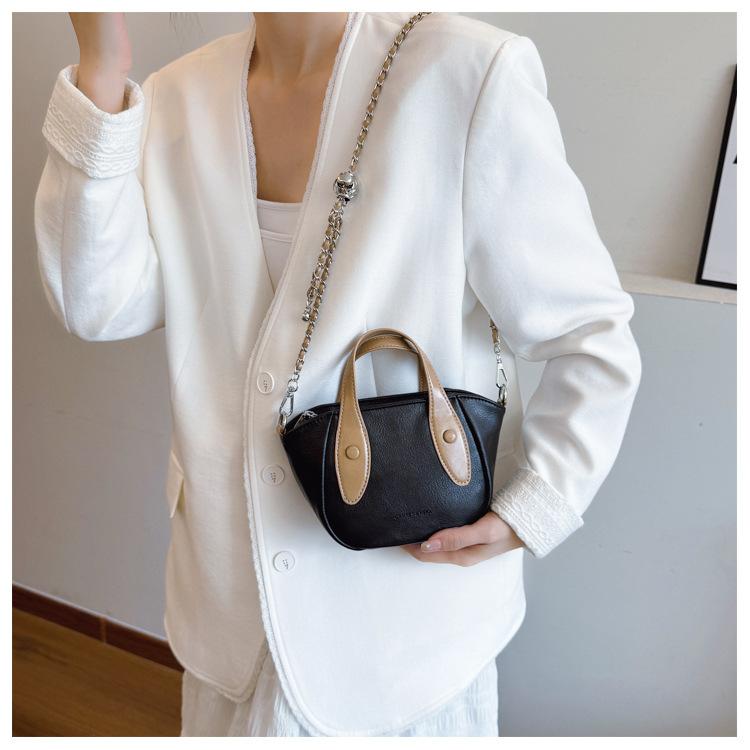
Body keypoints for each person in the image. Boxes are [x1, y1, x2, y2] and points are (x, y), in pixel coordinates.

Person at [33, 11, 642, 737]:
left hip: (403, 628)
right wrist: (101, 64)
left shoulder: (467, 72)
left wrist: (536, 505)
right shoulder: (175, 96)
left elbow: (589, 335)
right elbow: (97, 305)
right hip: (229, 604)